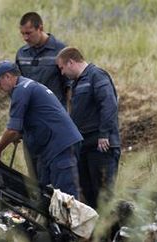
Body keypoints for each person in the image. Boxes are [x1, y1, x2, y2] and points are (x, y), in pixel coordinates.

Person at [0, 60, 82, 199]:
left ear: (7, 76)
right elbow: (17, 131)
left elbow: (13, 130)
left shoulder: (21, 90)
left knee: (66, 198)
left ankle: (75, 221)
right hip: (51, 147)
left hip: (60, 146)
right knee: (46, 194)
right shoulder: (27, 86)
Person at [56, 47, 121, 209]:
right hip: (84, 146)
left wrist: (104, 134)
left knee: (104, 196)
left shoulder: (96, 76)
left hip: (101, 147)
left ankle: (109, 232)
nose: (62, 73)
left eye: (62, 68)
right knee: (89, 194)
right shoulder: (76, 83)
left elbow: (109, 104)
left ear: (71, 62)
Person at [16, 11, 72, 179]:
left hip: (54, 123)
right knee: (34, 175)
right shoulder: (22, 54)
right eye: (22, 34)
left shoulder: (60, 51)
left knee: (54, 173)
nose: (25, 38)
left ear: (40, 28)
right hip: (31, 125)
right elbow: (17, 89)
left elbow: (69, 88)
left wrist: (69, 117)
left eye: (29, 33)